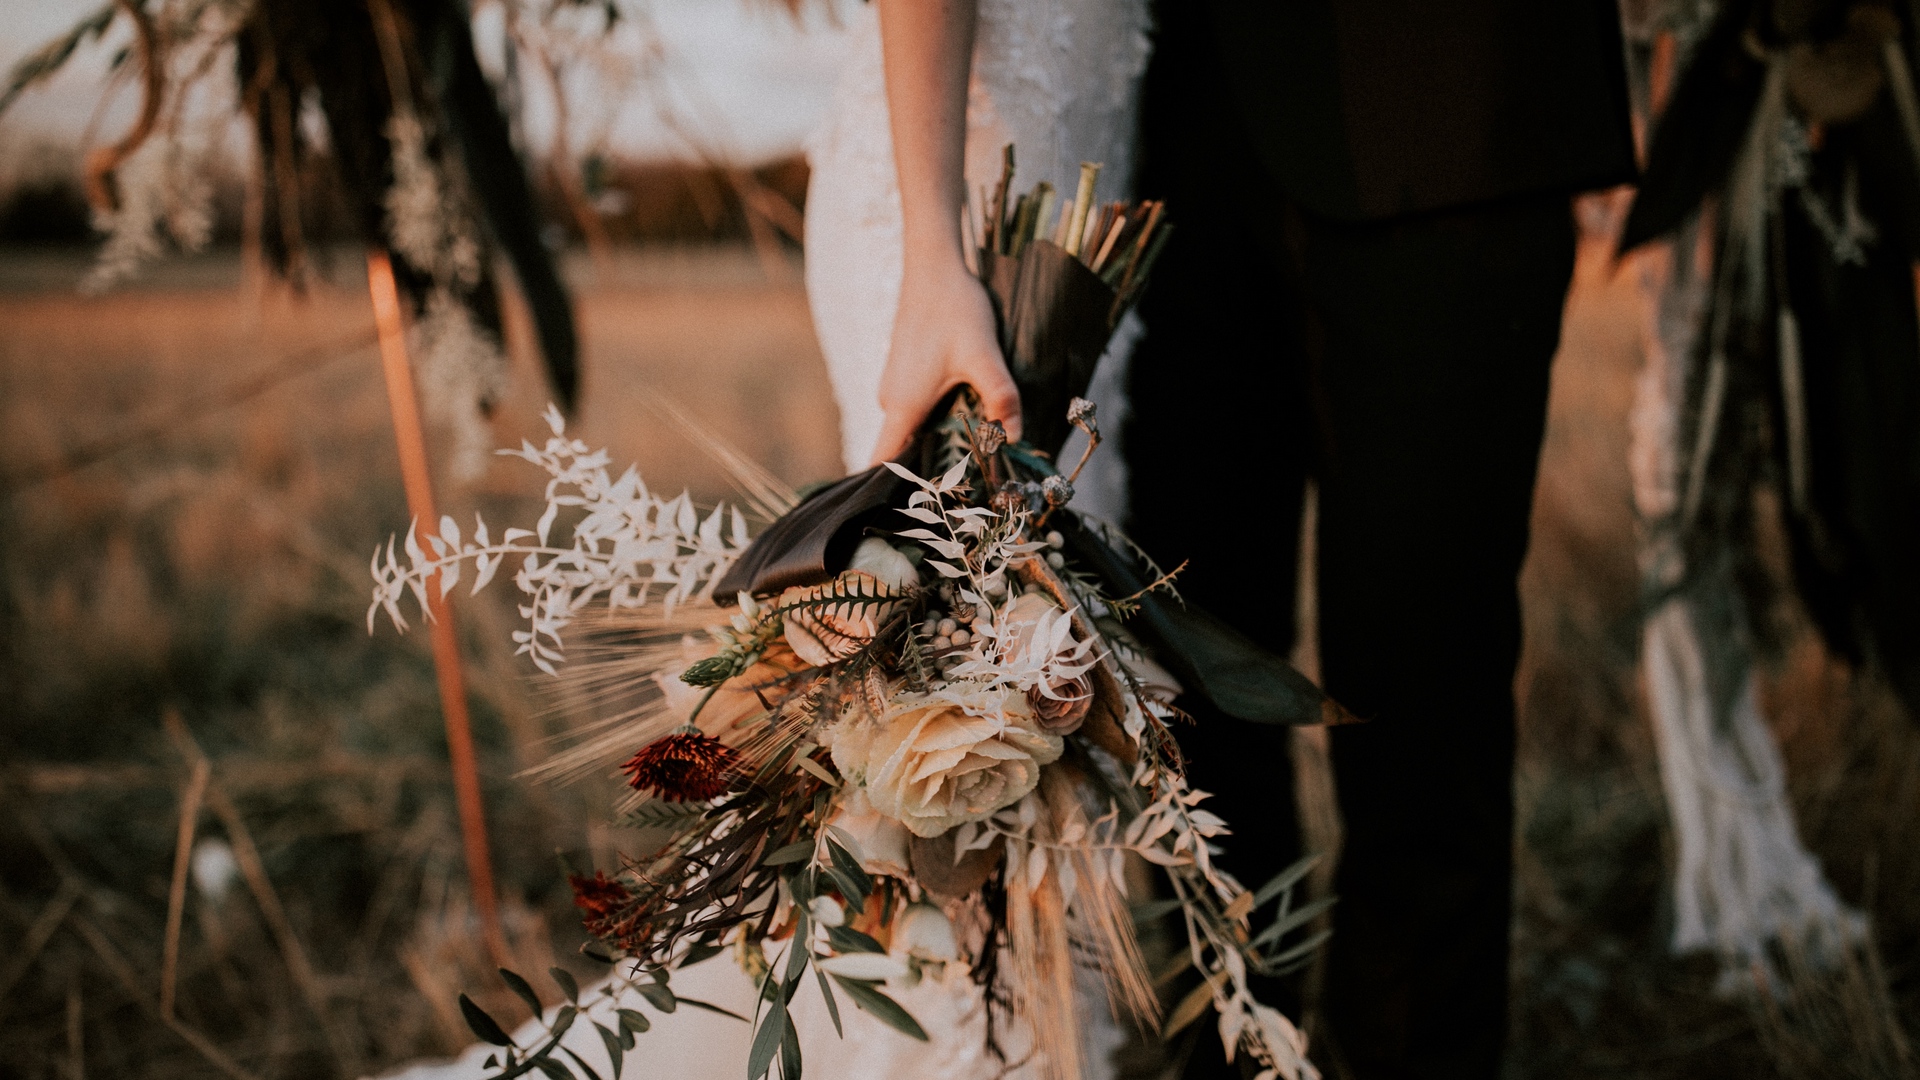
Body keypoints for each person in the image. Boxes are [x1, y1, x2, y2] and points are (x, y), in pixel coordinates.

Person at [1121, 3, 1638, 1078]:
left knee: (1423, 693)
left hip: (1447, 91)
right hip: (1161, 111)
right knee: (1186, 674)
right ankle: (1230, 1054)